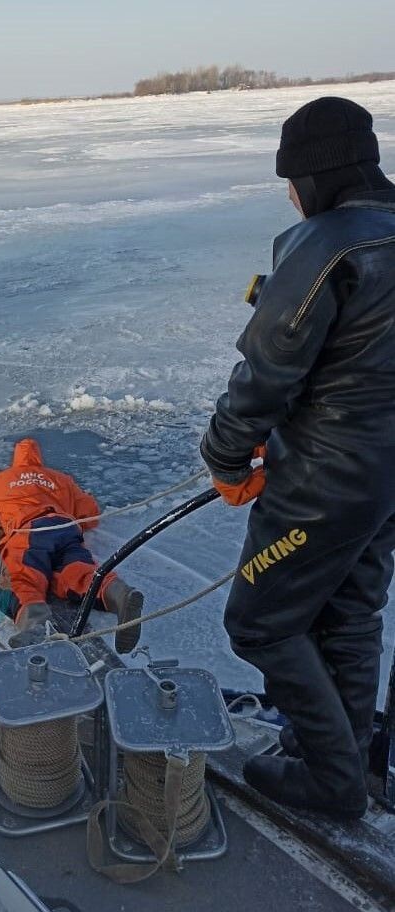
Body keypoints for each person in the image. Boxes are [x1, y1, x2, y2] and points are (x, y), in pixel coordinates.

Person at [200, 97, 395, 818]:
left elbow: (267, 370)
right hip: (384, 479)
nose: (288, 195)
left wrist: (225, 459)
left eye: (291, 179)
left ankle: (332, 779)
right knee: (349, 613)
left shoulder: (327, 244)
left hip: (325, 478)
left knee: (260, 622)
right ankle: (341, 760)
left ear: (316, 176)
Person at [0, 437, 144, 652]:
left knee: (22, 576)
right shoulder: (61, 479)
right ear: (38, 458)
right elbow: (89, 514)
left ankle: (35, 626)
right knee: (78, 572)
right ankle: (119, 594)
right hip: (65, 526)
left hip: (28, 529)